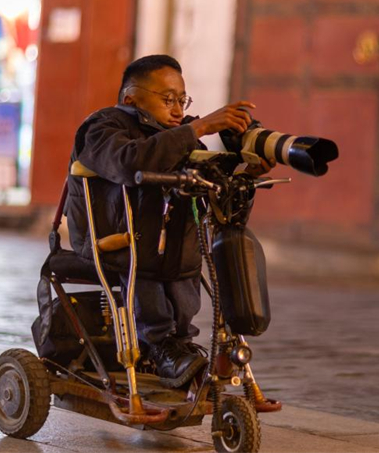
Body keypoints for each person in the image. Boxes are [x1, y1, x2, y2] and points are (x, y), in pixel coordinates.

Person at [65, 54, 273, 387]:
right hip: (112, 237)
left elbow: (213, 190)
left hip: (165, 239)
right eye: (167, 99)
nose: (177, 109)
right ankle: (159, 344)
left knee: (186, 253)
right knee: (149, 255)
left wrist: (246, 170)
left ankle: (177, 344)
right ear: (130, 97)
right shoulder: (103, 126)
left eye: (182, 99)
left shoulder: (177, 136)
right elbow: (129, 163)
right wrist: (199, 127)